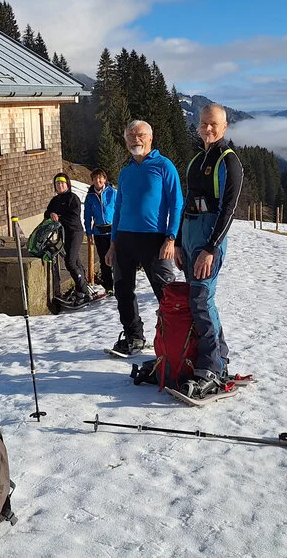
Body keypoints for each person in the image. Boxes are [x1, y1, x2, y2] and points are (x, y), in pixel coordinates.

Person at [173, 105, 243, 399]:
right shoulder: (197, 159)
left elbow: (228, 209)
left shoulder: (228, 161)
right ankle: (218, 357)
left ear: (224, 127)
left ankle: (212, 366)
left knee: (201, 300)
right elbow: (187, 201)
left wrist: (211, 248)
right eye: (203, 123)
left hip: (208, 237)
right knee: (198, 300)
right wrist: (178, 242)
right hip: (190, 233)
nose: (208, 128)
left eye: (213, 124)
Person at [103, 120, 183, 356]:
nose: (135, 139)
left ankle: (175, 340)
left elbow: (176, 204)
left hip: (154, 238)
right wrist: (113, 244)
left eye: (140, 135)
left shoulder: (164, 166)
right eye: (130, 136)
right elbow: (118, 209)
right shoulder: (125, 171)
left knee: (165, 292)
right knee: (122, 290)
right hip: (124, 238)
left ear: (150, 137)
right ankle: (134, 337)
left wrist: (171, 238)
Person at [44, 172, 88, 304]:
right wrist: (51, 214)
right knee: (75, 261)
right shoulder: (55, 200)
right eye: (57, 183)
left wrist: (59, 217)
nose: (60, 185)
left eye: (62, 183)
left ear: (67, 184)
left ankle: (82, 291)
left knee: (70, 262)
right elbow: (47, 212)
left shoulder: (72, 198)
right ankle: (82, 288)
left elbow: (74, 216)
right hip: (64, 233)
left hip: (75, 232)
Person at [83, 167, 117, 294]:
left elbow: (121, 210)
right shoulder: (90, 197)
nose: (98, 181)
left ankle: (120, 284)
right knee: (104, 260)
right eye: (95, 179)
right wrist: (89, 232)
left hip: (113, 231)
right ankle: (109, 286)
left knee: (117, 259)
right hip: (99, 232)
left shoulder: (113, 193)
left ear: (105, 179)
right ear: (92, 181)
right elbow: (87, 216)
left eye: (100, 178)